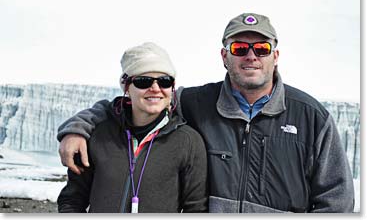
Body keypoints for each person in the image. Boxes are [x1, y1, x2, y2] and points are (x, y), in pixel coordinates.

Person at [57, 13, 354, 213]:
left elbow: (336, 201)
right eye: (239, 47)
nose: (251, 56)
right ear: (224, 56)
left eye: (261, 48)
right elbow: (135, 104)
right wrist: (77, 128)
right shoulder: (195, 102)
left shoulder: (311, 117)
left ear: (275, 57)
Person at [57, 42, 208, 213]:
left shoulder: (188, 142)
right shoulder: (98, 135)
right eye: (144, 81)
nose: (156, 89)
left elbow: (196, 210)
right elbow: (72, 200)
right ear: (127, 86)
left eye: (165, 81)